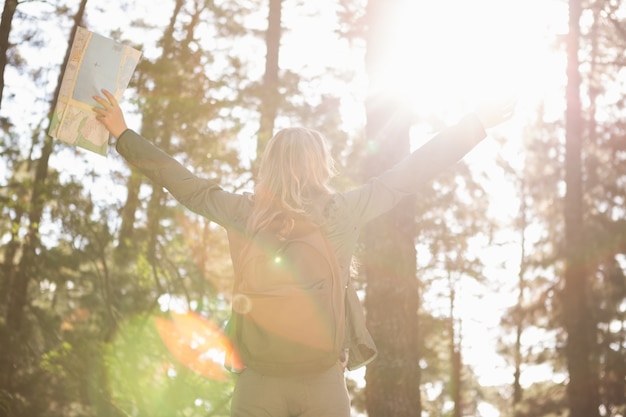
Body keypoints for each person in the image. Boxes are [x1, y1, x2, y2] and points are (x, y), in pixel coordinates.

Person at [93, 88, 515, 417]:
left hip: (258, 381)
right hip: (322, 382)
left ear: (270, 164)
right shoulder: (342, 212)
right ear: (320, 165)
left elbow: (186, 185)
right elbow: (409, 173)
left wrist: (123, 134)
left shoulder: (244, 213)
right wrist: (475, 123)